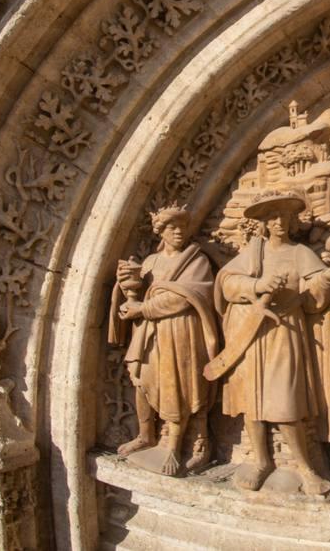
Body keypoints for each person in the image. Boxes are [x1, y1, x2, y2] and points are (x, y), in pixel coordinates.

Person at [208, 192, 330, 494]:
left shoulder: (300, 253)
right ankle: (260, 461)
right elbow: (227, 283)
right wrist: (258, 285)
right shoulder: (254, 253)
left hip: (285, 332)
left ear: (293, 220)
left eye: (284, 216)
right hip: (253, 333)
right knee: (252, 401)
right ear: (263, 224)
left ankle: (305, 468)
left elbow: (314, 296)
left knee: (285, 402)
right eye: (272, 217)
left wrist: (328, 280)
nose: (279, 222)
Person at [109, 204, 220, 476]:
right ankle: (146, 434)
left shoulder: (196, 261)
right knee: (141, 380)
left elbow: (184, 298)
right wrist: (125, 291)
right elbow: (136, 295)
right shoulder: (149, 263)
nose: (179, 232)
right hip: (150, 334)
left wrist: (143, 308)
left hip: (180, 332)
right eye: (172, 227)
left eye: (183, 227)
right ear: (161, 231)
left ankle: (173, 445)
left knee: (176, 387)